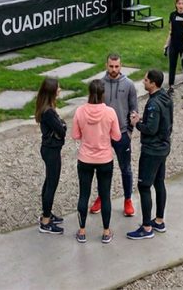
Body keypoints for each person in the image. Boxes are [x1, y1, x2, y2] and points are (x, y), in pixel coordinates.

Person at [72, 79, 121, 244]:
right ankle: (106, 231)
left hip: (85, 158)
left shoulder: (80, 111)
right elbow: (117, 136)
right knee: (105, 195)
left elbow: (75, 135)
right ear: (103, 94)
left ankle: (82, 231)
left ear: (89, 92)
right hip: (105, 158)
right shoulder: (110, 112)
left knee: (84, 194)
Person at [126, 69, 172, 241]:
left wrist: (137, 123)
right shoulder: (166, 97)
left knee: (144, 186)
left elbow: (151, 129)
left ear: (153, 83)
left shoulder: (153, 104)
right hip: (164, 147)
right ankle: (159, 220)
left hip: (152, 150)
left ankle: (146, 228)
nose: (143, 82)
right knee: (159, 182)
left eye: (146, 80)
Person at [94, 54, 137, 220]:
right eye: (111, 66)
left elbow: (134, 109)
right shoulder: (100, 84)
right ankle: (101, 197)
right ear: (106, 65)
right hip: (103, 134)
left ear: (121, 66)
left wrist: (129, 131)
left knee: (125, 168)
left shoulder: (129, 85)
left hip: (122, 133)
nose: (114, 69)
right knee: (102, 168)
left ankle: (128, 200)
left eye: (116, 66)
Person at [35, 77, 66, 235]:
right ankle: (46, 221)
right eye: (58, 88)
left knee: (49, 181)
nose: (60, 89)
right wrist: (63, 125)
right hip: (51, 150)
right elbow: (62, 130)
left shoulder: (45, 108)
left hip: (49, 149)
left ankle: (46, 213)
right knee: (51, 184)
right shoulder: (49, 112)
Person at [163, 0, 183, 96]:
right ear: (176, 5)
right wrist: (166, 44)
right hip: (174, 43)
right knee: (172, 65)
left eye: (182, 3)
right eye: (179, 4)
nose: (180, 6)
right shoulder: (172, 15)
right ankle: (171, 87)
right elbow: (171, 30)